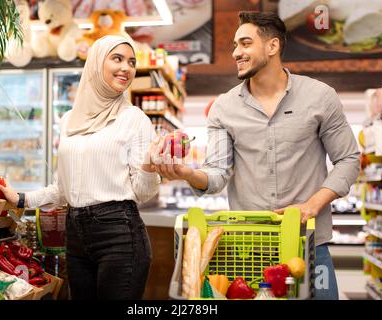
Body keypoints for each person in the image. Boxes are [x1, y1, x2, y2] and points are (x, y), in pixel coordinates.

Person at [150, 11, 360, 300]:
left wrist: (311, 205)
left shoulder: (320, 96)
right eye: (235, 45)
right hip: (250, 250)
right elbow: (217, 174)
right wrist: (187, 172)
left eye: (245, 43)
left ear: (272, 46)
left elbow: (348, 159)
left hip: (309, 245)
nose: (237, 52)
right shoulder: (224, 108)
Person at [0, 35, 161, 300]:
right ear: (96, 64)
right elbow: (63, 189)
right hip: (74, 234)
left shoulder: (134, 119)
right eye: (117, 58)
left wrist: (150, 168)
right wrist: (22, 199)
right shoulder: (69, 120)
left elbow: (142, 192)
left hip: (119, 234)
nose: (126, 68)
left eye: (131, 62)